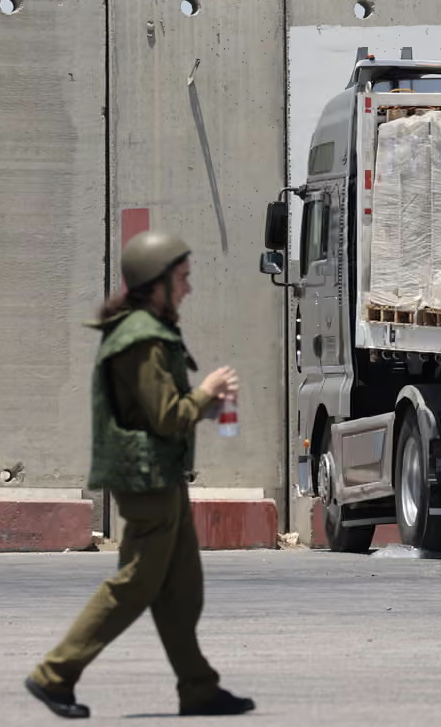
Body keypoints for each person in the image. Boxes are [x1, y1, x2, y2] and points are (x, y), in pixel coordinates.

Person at [24, 231, 255, 719]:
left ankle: (198, 687)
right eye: (183, 279)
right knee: (135, 584)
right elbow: (167, 416)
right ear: (156, 284)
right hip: (147, 483)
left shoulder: (146, 329)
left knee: (181, 588)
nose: (189, 289)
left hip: (161, 477)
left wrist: (210, 406)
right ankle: (54, 673)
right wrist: (208, 390)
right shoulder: (142, 339)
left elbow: (164, 413)